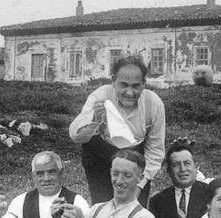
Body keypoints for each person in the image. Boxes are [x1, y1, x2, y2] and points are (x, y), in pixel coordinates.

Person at [68, 55, 165, 205]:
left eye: (136, 86)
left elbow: (155, 150)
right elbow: (76, 136)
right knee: (103, 206)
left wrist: (140, 185)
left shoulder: (153, 103)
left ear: (144, 84)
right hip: (101, 155)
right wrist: (95, 120)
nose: (129, 93)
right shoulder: (101, 96)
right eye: (124, 85)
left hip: (135, 156)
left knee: (135, 208)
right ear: (113, 81)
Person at [147, 137, 212, 218]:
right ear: (169, 171)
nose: (183, 169)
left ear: (196, 166)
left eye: (187, 163)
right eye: (176, 165)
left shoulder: (210, 194)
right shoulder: (157, 201)